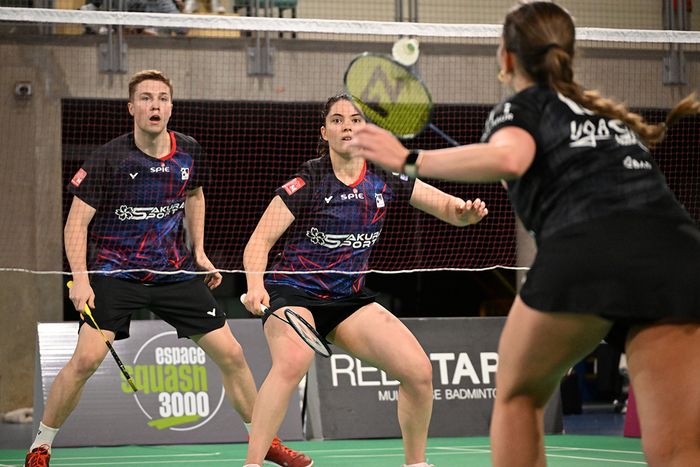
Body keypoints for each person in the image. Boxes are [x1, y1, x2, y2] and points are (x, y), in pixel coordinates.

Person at [348, 2, 700, 466]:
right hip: (678, 259)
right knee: (679, 452)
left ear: (507, 57)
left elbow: (511, 158)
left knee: (520, 396)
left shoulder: (522, 106)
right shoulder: (610, 121)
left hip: (587, 252)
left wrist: (411, 160)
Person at [24, 70, 312, 467]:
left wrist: (200, 252)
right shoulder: (110, 159)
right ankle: (41, 445)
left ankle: (264, 442)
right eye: (145, 98)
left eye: (162, 98)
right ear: (131, 108)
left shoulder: (188, 151)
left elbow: (194, 196)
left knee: (232, 353)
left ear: (171, 106)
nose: (154, 105)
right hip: (116, 274)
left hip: (172, 273)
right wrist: (81, 281)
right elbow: (75, 225)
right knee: (86, 360)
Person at [240, 93, 488, 467]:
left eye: (355, 120)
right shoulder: (309, 180)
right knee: (293, 360)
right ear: (324, 132)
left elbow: (445, 206)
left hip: (347, 299)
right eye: (337, 121)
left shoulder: (383, 175)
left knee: (419, 372)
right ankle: (253, 464)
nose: (347, 127)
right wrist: (255, 285)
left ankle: (416, 463)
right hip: (292, 293)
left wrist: (463, 213)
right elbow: (259, 241)